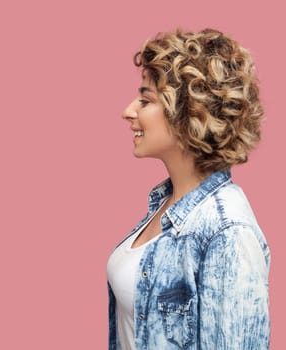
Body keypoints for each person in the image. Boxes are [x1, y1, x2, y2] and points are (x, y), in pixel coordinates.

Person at [106, 28, 271, 350]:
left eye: (146, 100)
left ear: (191, 112)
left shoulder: (226, 230)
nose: (129, 111)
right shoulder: (167, 206)